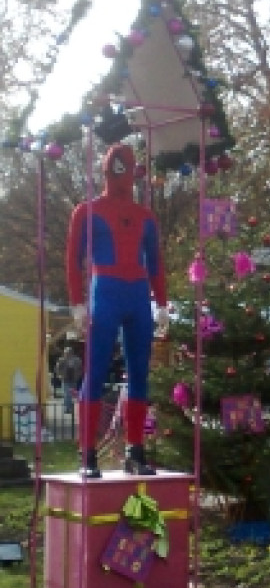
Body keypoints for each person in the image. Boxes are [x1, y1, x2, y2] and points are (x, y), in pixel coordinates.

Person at [65, 143, 169, 477]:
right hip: (106, 292)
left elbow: (156, 263)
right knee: (94, 372)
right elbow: (73, 259)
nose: (122, 176)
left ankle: (135, 450)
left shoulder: (145, 217)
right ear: (108, 171)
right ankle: (88, 454)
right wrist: (77, 302)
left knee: (140, 373)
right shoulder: (88, 211)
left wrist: (162, 303)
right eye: (117, 168)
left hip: (136, 295)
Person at [55, 346, 82, 417]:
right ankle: (67, 408)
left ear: (72, 353)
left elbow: (80, 369)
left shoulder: (77, 360)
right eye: (66, 352)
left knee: (72, 394)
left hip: (74, 379)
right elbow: (57, 369)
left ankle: (70, 407)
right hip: (65, 379)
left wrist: (78, 376)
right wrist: (60, 376)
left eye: (69, 352)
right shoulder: (61, 360)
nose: (67, 354)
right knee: (67, 393)